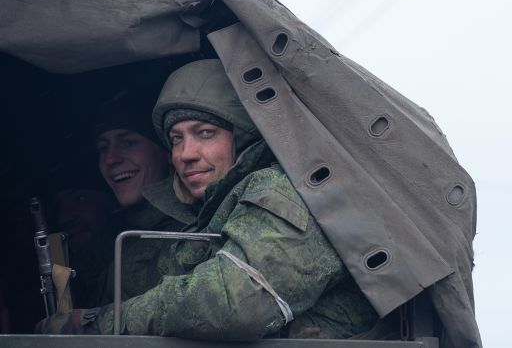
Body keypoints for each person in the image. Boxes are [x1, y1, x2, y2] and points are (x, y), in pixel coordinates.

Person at [36, 59, 378, 339]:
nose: (186, 153)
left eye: (205, 133)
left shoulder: (278, 189)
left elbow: (236, 302)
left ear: (241, 138)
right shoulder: (212, 209)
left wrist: (100, 323)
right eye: (176, 139)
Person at [70, 91, 188, 308]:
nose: (110, 159)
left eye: (129, 143)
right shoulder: (111, 234)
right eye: (103, 148)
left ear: (167, 152)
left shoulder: (192, 227)